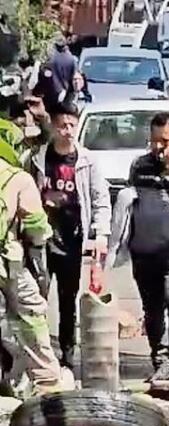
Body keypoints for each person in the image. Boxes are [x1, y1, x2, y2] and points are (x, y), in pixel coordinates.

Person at [107, 113, 169, 376]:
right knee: (152, 309)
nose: (158, 147)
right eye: (153, 141)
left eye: (165, 141)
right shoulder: (140, 165)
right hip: (145, 248)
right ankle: (160, 359)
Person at [26, 102, 110, 369]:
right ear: (52, 125)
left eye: (72, 125)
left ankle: (67, 350)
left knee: (67, 298)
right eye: (62, 125)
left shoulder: (87, 161)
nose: (68, 131)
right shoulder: (38, 159)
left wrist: (100, 234)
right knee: (37, 297)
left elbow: (100, 200)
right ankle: (37, 351)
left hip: (72, 238)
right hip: (42, 239)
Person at [0, 123, 65, 392]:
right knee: (31, 316)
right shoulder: (16, 178)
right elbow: (38, 228)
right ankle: (47, 381)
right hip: (8, 262)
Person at [41, 37, 77, 113]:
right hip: (65, 91)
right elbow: (73, 77)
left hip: (53, 91)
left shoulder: (51, 59)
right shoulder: (71, 59)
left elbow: (45, 74)